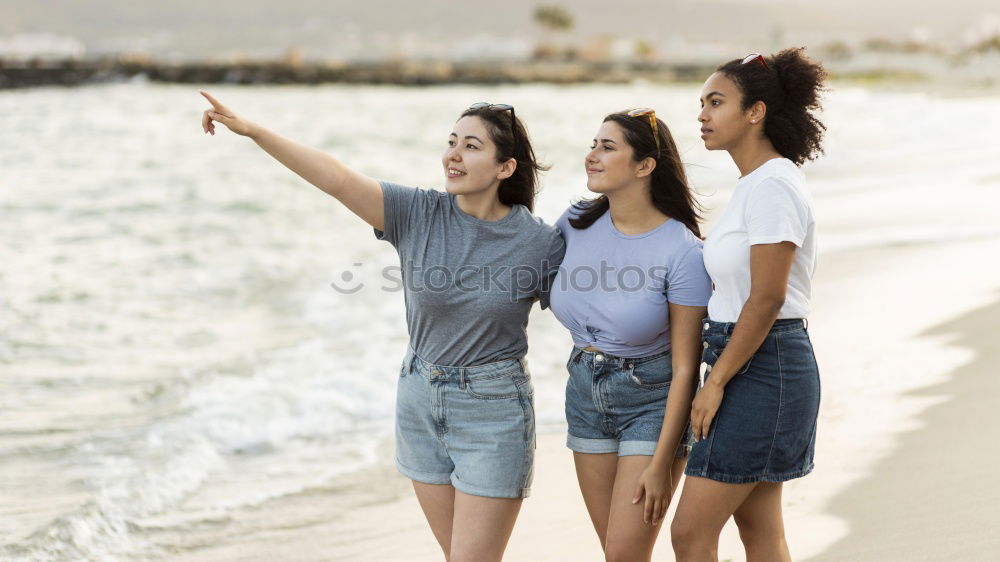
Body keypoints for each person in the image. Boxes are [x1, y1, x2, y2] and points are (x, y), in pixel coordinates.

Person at [199, 93, 565, 562]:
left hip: (493, 414)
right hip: (418, 401)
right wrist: (252, 131)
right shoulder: (417, 213)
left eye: (471, 146)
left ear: (505, 168)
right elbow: (334, 178)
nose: (452, 154)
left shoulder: (539, 243)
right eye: (451, 142)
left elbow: (595, 316)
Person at [670, 48, 827, 562]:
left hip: (765, 366)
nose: (702, 115)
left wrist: (713, 384)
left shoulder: (774, 185)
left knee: (690, 534)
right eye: (701, 103)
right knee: (761, 534)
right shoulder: (755, 185)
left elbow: (767, 297)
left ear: (755, 112)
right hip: (750, 360)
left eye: (716, 102)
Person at [548, 108, 710, 561]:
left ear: (645, 165)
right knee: (618, 555)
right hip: (584, 392)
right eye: (593, 145)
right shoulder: (575, 222)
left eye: (608, 146)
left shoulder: (683, 251)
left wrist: (662, 463)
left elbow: (685, 366)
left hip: (651, 400)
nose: (592, 156)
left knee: (623, 553)